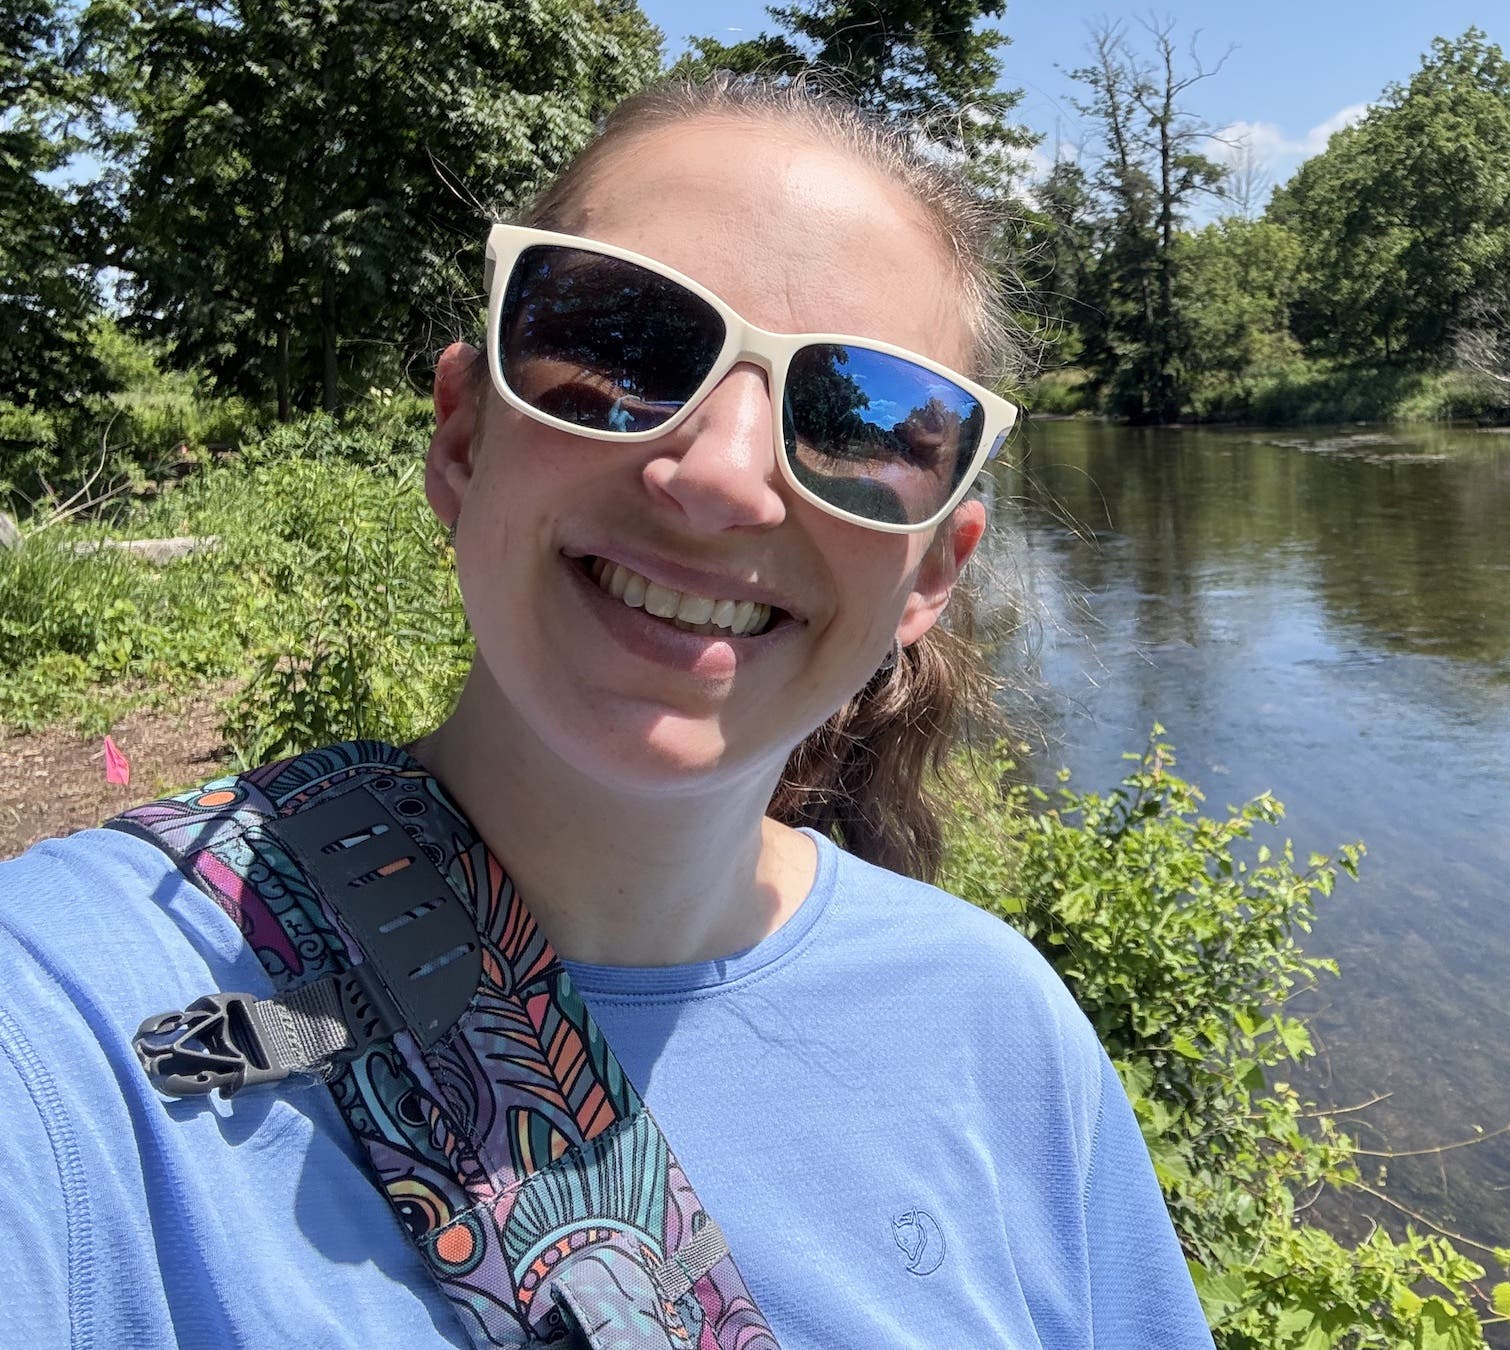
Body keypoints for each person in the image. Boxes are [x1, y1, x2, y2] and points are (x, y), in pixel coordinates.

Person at [0, 75, 1212, 1349]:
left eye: (855, 417)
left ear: (930, 573)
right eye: (625, 348)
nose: (720, 480)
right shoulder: (69, 1021)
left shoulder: (1001, 1031)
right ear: (464, 440)